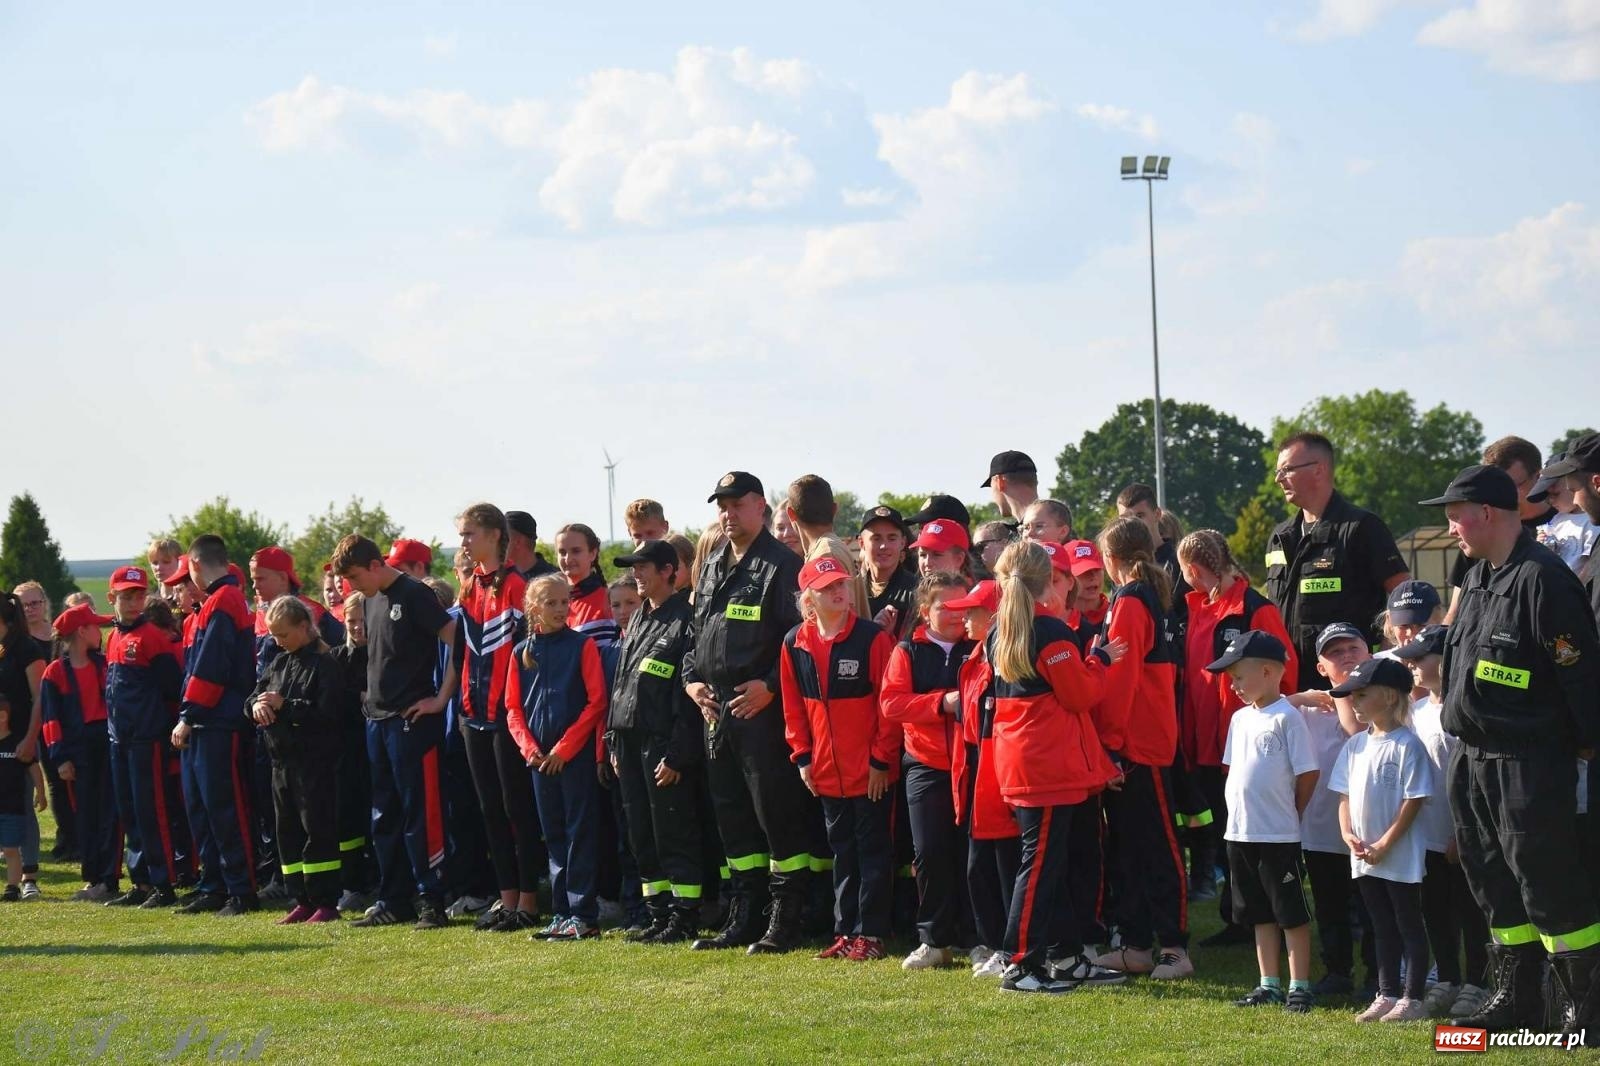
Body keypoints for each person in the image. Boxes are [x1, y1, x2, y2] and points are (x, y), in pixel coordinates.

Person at [1419, 464, 1600, 1035]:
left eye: (1455, 515)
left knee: (1546, 882)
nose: (1450, 527)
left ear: (1489, 513)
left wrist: (1586, 745)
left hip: (1528, 760)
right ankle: (1516, 999)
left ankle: (1581, 1008)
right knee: (1492, 883)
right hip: (1472, 759)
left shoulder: (1544, 580)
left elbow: (1579, 676)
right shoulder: (1476, 574)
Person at [986, 541, 1128, 994]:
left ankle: (1064, 958)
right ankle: (1020, 963)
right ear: (1047, 581)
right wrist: (1099, 660)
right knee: (1042, 865)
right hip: (1046, 764)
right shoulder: (1048, 631)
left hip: (1025, 759)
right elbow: (1080, 695)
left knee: (1053, 863)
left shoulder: (1002, 630)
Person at [681, 471, 812, 954]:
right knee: (733, 819)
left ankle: (786, 921)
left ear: (761, 506)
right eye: (722, 506)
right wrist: (691, 682)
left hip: (761, 712)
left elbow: (800, 641)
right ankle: (744, 917)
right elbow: (696, 637)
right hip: (715, 711)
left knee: (774, 817)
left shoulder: (783, 565)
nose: (728, 513)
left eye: (738, 504)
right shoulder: (713, 563)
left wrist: (771, 688)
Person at [1176, 530, 1298, 941]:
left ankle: (1268, 919)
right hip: (1209, 744)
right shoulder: (1197, 608)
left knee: (1254, 837)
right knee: (1230, 833)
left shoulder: (1254, 609)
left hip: (1248, 746)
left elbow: (1286, 671)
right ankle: (1240, 918)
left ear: (1193, 569)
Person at [334, 534, 458, 931]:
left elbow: (456, 639)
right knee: (384, 815)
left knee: (419, 813)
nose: (352, 587)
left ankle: (432, 900)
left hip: (413, 722)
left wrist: (440, 698)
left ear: (374, 565)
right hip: (378, 721)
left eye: (355, 576)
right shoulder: (370, 599)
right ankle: (393, 898)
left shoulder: (415, 594)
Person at [780, 557, 898, 962]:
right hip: (827, 772)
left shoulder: (871, 638)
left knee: (873, 852)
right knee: (842, 852)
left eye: (843, 585)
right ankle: (846, 932)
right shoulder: (794, 641)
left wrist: (881, 761)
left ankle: (873, 934)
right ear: (809, 597)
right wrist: (803, 758)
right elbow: (793, 706)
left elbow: (888, 704)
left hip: (869, 772)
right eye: (829, 587)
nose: (840, 592)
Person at [1092, 517, 1190, 980]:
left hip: (1140, 743)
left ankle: (1173, 947)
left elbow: (1122, 678)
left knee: (1157, 846)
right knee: (1128, 848)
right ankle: (1135, 945)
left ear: (1112, 559)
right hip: (1138, 739)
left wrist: (1108, 744)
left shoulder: (1131, 598)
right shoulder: (1145, 593)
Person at [1208, 630, 1319, 1014]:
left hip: (1278, 835)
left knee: (1288, 912)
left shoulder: (1287, 718)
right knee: (1257, 911)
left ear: (1270, 672)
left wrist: (1292, 813)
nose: (1234, 685)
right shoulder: (1239, 720)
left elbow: (1307, 774)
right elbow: (1234, 771)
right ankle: (1268, 983)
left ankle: (1299, 986)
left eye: (1239, 676)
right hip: (1240, 833)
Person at [606, 540, 704, 944]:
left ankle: (684, 917)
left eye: (643, 567)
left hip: (663, 746)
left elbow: (687, 697)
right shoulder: (641, 617)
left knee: (672, 832)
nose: (637, 574)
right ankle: (658, 914)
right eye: (634, 567)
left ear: (669, 570)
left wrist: (678, 755)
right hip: (628, 743)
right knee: (641, 834)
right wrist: (612, 740)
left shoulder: (686, 619)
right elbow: (623, 681)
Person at [1329, 656, 1435, 1023]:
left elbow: (1414, 799)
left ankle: (1413, 997)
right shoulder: (1354, 746)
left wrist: (1386, 843)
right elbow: (1343, 796)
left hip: (1398, 855)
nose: (1354, 703)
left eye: (1361, 695)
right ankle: (1386, 992)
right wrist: (1348, 835)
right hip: (1363, 856)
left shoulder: (1408, 745)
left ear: (1389, 697)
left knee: (1408, 923)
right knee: (1379, 925)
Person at [505, 574, 610, 941]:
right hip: (539, 762)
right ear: (534, 607)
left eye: (564, 602)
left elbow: (597, 702)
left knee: (579, 833)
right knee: (553, 836)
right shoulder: (521, 652)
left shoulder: (582, 646)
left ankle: (584, 915)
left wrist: (564, 750)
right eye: (551, 603)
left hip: (573, 758)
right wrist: (531, 751)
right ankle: (562, 913)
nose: (560, 609)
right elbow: (512, 708)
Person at [879, 572, 976, 969]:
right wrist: (941, 703)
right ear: (924, 611)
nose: (956, 615)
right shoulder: (907, 650)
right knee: (930, 851)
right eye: (945, 607)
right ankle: (934, 940)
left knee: (974, 854)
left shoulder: (982, 645)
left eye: (961, 606)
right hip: (926, 765)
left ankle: (977, 939)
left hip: (974, 764)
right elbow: (892, 704)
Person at [1393, 623, 1491, 1019]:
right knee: (1434, 908)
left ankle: (1477, 982)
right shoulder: (1415, 712)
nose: (1413, 664)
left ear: (1448, 658)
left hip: (1461, 835)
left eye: (1421, 657)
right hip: (1425, 836)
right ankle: (1447, 977)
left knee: (1471, 910)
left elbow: (1472, 776)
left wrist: (1460, 831)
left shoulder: (1465, 711)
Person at [452, 504, 540, 934]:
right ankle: (506, 900)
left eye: (469, 534)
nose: (464, 542)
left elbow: (527, 656)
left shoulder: (517, 585)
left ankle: (528, 900)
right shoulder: (469, 585)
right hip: (473, 714)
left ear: (492, 535)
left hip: (508, 716)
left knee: (517, 810)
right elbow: (460, 653)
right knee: (490, 810)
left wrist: (515, 709)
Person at [1266, 432, 1411, 689]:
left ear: (1319, 470)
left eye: (1286, 470)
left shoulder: (1361, 528)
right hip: (1290, 687)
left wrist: (1384, 658)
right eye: (1278, 471)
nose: (1278, 479)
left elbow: (1404, 596)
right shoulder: (1280, 536)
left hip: (1350, 688)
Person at [175, 536, 261, 917]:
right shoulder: (211, 604)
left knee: (225, 807)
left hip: (218, 721)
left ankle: (241, 888)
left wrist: (189, 715)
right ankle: (214, 884)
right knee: (202, 808)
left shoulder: (223, 601)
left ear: (195, 564)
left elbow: (212, 667)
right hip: (205, 722)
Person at [1293, 622, 1376, 999]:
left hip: (1371, 830)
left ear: (1369, 653)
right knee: (1330, 907)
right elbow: (1260, 708)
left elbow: (1356, 729)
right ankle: (1337, 971)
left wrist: (1342, 693)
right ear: (1321, 667)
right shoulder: (1309, 711)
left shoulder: (1382, 700)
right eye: (1334, 652)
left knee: (1374, 907)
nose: (1345, 656)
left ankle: (1378, 973)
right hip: (1323, 830)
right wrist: (1305, 697)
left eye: (1353, 649)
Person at [251, 596, 344, 924]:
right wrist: (256, 707)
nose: (278, 642)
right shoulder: (277, 662)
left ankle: (326, 901)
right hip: (280, 764)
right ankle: (301, 898)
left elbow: (329, 714)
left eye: (284, 635)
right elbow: (255, 695)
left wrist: (285, 706)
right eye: (274, 636)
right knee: (287, 832)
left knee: (316, 831)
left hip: (313, 764)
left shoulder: (326, 663)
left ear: (305, 628)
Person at [101, 565, 183, 908]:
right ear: (112, 598)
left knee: (152, 811)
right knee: (129, 811)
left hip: (145, 739)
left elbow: (171, 690)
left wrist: (159, 731)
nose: (134, 603)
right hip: (119, 737)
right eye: (126, 596)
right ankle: (141, 881)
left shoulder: (152, 638)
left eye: (138, 595)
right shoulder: (114, 638)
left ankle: (163, 883)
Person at [943, 579, 1012, 976]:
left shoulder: (1003, 661)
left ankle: (1010, 947)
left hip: (998, 775)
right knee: (979, 867)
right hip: (974, 772)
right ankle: (992, 943)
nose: (965, 618)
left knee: (1003, 866)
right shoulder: (974, 657)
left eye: (973, 611)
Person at [39, 603, 119, 901]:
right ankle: (93, 877)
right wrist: (60, 758)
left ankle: (110, 877)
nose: (101, 631)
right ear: (82, 632)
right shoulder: (55, 673)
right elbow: (50, 720)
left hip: (107, 742)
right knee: (85, 813)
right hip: (78, 749)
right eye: (96, 626)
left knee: (110, 812)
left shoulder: (103, 664)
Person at [1443, 437, 1559, 624]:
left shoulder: (1567, 523)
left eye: (1513, 485)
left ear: (1538, 477)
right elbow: (1455, 611)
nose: (1502, 494)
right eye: (1493, 487)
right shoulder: (1480, 534)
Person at [329, 590, 374, 911]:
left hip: (373, 746)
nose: (357, 627)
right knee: (348, 820)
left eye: (362, 620)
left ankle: (380, 879)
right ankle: (352, 882)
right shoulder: (336, 659)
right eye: (351, 621)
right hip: (345, 750)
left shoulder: (382, 655)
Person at [0, 591, 46, 898]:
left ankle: (29, 877)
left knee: (22, 809)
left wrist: (30, 738)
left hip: (20, 741)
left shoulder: (27, 648)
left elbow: (41, 696)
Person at [785, 475, 872, 620]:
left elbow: (839, 623)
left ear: (791, 514)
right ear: (834, 509)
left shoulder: (826, 555)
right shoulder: (832, 547)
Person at [0, 695, 47, 902]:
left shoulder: (17, 745)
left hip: (13, 808)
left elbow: (34, 767)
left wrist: (41, 792)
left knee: (11, 849)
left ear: (2, 716)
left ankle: (13, 887)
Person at [1116, 484, 1192, 603]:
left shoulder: (1179, 562)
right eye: (1125, 518)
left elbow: (1185, 616)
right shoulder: (1121, 564)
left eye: (1139, 516)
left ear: (1157, 514)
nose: (1132, 523)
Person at [859, 505, 918, 642]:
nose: (884, 546)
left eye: (892, 538)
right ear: (862, 543)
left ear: (902, 542)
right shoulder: (850, 589)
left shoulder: (917, 591)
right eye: (876, 538)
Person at [983, 450, 1039, 521]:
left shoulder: (1029, 529)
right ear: (1036, 481)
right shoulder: (1054, 520)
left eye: (991, 486)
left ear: (1000, 482)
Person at [506, 511, 559, 581]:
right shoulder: (498, 577)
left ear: (517, 541)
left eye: (502, 538)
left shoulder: (554, 580)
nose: (496, 543)